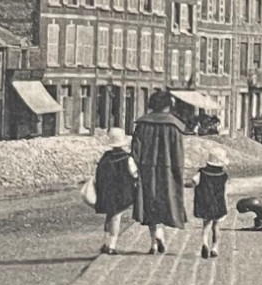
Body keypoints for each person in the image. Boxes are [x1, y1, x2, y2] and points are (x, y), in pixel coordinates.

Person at [132, 90, 187, 254]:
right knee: (165, 203)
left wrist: (135, 170)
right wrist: (179, 172)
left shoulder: (143, 125)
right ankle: (160, 235)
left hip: (146, 170)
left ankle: (153, 242)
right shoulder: (174, 126)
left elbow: (135, 150)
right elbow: (178, 153)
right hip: (168, 172)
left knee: (150, 204)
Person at [93, 128, 140, 254]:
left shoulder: (105, 157)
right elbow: (134, 173)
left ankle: (105, 242)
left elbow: (99, 173)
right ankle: (112, 246)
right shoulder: (126, 158)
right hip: (121, 192)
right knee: (116, 217)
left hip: (107, 191)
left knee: (109, 217)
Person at [193, 148, 230, 260]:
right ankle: (215, 247)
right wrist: (227, 204)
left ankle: (205, 243)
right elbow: (226, 191)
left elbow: (194, 181)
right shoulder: (224, 175)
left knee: (206, 225)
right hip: (218, 203)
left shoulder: (202, 172)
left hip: (205, 203)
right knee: (216, 226)